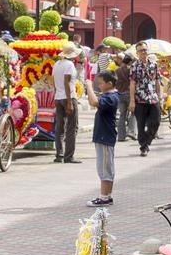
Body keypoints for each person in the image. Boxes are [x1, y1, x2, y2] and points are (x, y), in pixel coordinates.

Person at [85, 71, 118, 207]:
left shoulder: (111, 97)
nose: (98, 85)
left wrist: (89, 87)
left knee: (104, 168)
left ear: (109, 83)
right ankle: (107, 196)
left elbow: (94, 102)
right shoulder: (109, 96)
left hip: (105, 136)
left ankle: (104, 197)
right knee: (106, 167)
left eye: (100, 83)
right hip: (104, 136)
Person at [129, 41, 162, 156]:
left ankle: (147, 141)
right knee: (141, 125)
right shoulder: (134, 66)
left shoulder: (154, 64)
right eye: (141, 50)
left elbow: (157, 81)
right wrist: (132, 100)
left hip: (153, 98)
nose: (144, 52)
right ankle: (143, 147)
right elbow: (132, 83)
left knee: (156, 121)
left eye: (145, 50)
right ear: (137, 53)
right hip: (140, 99)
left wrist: (159, 96)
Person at [53, 42, 80, 164]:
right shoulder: (69, 65)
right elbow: (67, 83)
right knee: (71, 127)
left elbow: (54, 82)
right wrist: (69, 101)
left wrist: (57, 95)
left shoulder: (57, 64)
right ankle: (69, 156)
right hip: (68, 97)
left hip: (58, 97)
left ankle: (59, 154)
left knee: (59, 127)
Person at [115, 54, 136, 141]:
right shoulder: (131, 70)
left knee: (122, 115)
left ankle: (121, 136)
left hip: (120, 94)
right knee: (134, 113)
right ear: (130, 62)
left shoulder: (117, 70)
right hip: (129, 94)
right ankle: (131, 132)